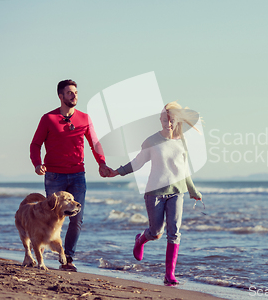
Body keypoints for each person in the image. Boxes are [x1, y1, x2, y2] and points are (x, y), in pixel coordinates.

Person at [109, 101, 202, 286]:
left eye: (170, 119)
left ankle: (169, 275)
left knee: (174, 232)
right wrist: (117, 171)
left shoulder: (182, 140)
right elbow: (137, 163)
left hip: (176, 193)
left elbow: (184, 170)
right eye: (163, 118)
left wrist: (193, 190)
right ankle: (141, 239)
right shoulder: (151, 141)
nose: (166, 122)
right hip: (155, 193)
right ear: (160, 120)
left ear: (175, 120)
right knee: (156, 231)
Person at [30, 79, 113, 272]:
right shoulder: (48, 119)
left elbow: (94, 143)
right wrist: (37, 164)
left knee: (77, 219)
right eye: (69, 93)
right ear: (60, 96)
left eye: (75, 92)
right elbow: (35, 144)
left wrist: (102, 163)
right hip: (54, 176)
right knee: (50, 217)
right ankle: (39, 252)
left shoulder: (84, 118)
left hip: (77, 175)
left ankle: (68, 258)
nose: (74, 95)